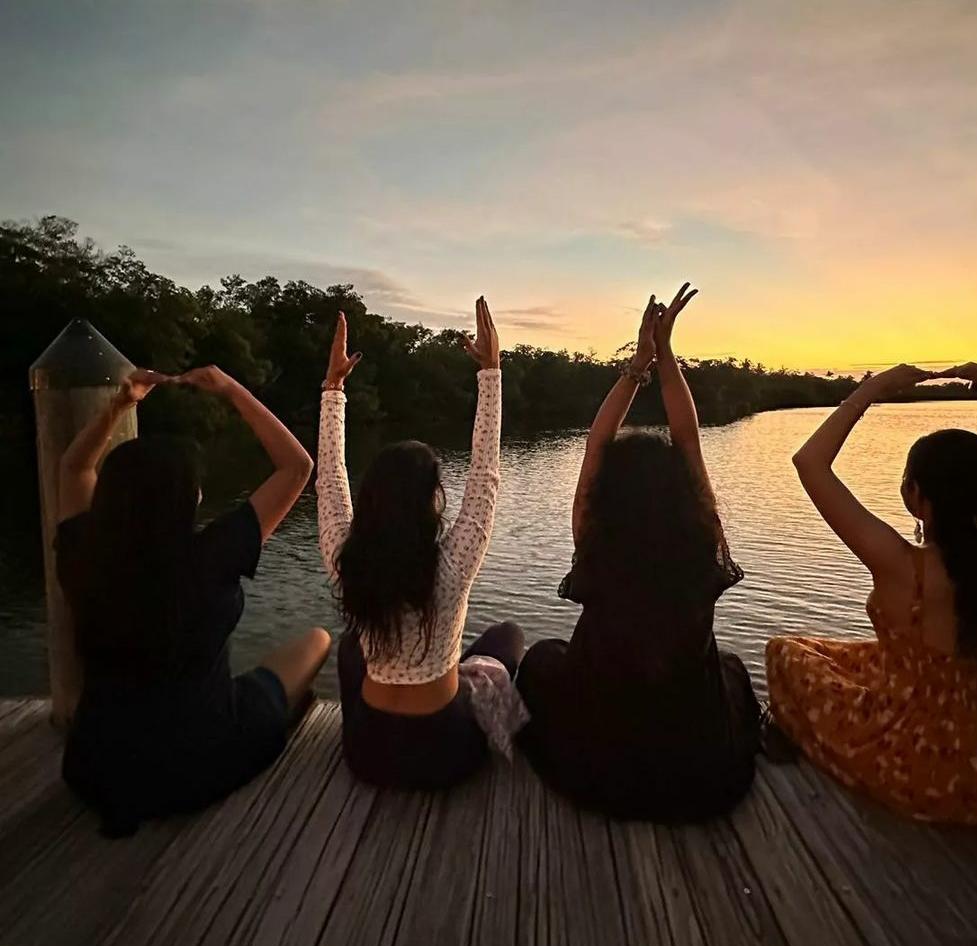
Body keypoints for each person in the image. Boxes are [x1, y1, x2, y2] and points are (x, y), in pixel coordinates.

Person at [766, 362, 977, 831]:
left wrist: (874, 388)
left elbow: (810, 462)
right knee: (861, 657)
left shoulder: (900, 563)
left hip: (915, 761)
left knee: (786, 652)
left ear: (918, 498)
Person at [515, 285, 761, 822]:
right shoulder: (702, 539)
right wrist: (667, 354)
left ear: (610, 493)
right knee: (732, 670)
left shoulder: (594, 536)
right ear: (681, 492)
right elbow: (690, 440)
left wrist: (638, 365)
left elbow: (596, 443)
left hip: (598, 763)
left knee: (538, 660)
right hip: (699, 769)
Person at [56, 365, 330, 837]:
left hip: (95, 768)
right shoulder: (211, 556)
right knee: (317, 640)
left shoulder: (84, 553)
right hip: (197, 765)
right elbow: (298, 466)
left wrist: (119, 407)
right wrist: (232, 390)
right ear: (188, 498)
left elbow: (74, 468)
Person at [317, 301, 527, 789]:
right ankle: (514, 737)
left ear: (370, 501)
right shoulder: (453, 563)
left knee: (353, 646)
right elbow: (486, 476)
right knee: (508, 638)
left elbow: (329, 481)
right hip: (445, 755)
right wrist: (491, 372)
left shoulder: (347, 561)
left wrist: (333, 390)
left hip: (366, 754)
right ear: (433, 500)